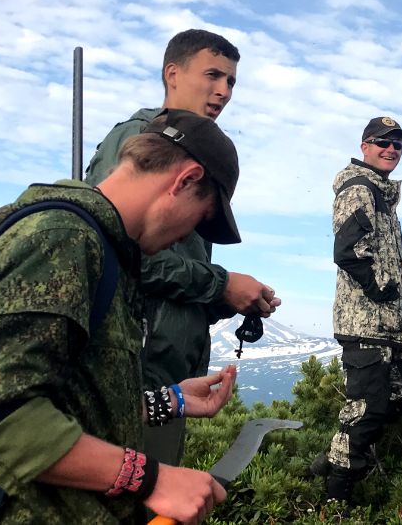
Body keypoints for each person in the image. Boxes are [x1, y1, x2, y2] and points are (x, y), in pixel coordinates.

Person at [0, 110, 244, 524]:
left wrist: (166, 400)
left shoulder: (105, 252)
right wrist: (152, 479)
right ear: (185, 180)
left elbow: (68, 402)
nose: (190, 237)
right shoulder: (62, 239)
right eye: (202, 220)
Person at [85, 28, 280, 467]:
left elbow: (165, 274)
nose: (224, 91)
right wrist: (220, 285)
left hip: (162, 376)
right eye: (213, 75)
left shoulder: (195, 151)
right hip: (134, 369)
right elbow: (121, 251)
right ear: (172, 74)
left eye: (231, 81)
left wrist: (225, 299)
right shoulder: (143, 141)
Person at [311, 116, 402, 503]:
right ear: (364, 146)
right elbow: (348, 251)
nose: (391, 149)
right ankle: (337, 494)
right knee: (366, 409)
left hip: (393, 325)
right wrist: (382, 291)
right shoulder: (359, 190)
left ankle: (334, 455)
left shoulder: (383, 195)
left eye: (398, 145)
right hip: (366, 323)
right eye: (382, 142)